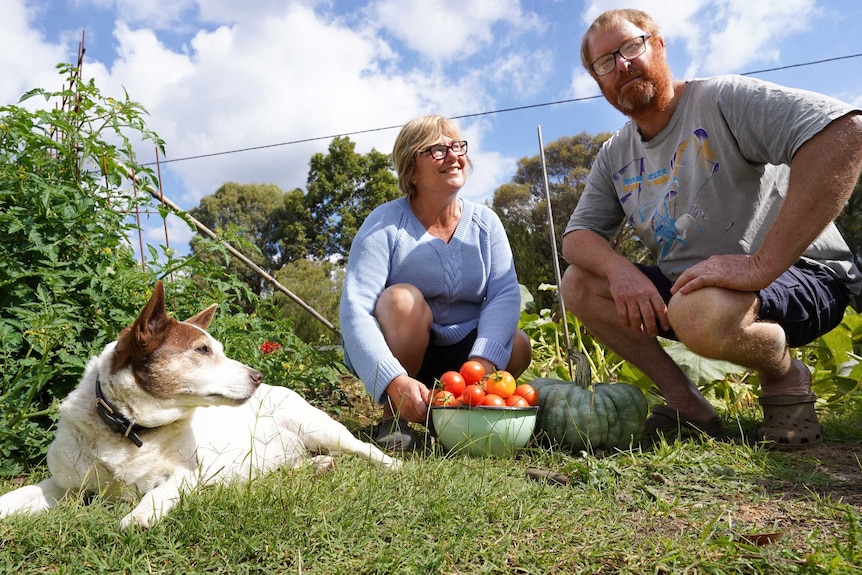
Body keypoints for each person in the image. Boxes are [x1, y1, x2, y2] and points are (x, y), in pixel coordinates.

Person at [561, 8, 862, 449]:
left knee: (696, 310)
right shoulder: (615, 154)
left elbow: (844, 130)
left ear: (658, 44)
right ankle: (687, 404)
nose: (621, 66)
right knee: (580, 284)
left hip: (800, 274)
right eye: (604, 63)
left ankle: (785, 376)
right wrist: (619, 270)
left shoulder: (721, 99)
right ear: (597, 80)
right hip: (697, 290)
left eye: (630, 47)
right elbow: (577, 238)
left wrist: (760, 266)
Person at [340, 114, 532, 451]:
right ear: (410, 169)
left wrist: (481, 365)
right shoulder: (384, 224)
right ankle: (394, 415)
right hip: (406, 352)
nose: (455, 156)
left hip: (464, 358)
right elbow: (355, 309)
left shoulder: (486, 224)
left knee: (518, 344)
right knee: (402, 300)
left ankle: (460, 413)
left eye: (457, 147)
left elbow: (503, 293)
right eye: (438, 150)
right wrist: (392, 379)